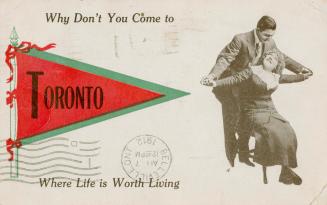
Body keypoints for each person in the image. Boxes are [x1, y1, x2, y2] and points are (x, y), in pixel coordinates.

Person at [201, 15, 313, 167]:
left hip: (253, 89)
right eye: (266, 35)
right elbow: (225, 58)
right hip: (231, 86)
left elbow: (282, 57)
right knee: (231, 123)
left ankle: (248, 156)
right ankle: (231, 160)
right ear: (258, 29)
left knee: (250, 123)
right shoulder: (240, 39)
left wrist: (300, 69)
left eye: (272, 35)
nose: (269, 39)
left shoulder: (270, 41)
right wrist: (213, 76)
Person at [204, 49, 311, 185]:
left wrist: (304, 76)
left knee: (288, 131)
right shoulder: (251, 71)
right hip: (252, 110)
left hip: (270, 110)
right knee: (273, 132)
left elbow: (290, 78)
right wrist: (215, 83)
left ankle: (285, 170)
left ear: (277, 65)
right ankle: (278, 165)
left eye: (274, 58)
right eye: (269, 55)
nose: (270, 58)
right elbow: (234, 79)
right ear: (263, 58)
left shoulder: (275, 76)